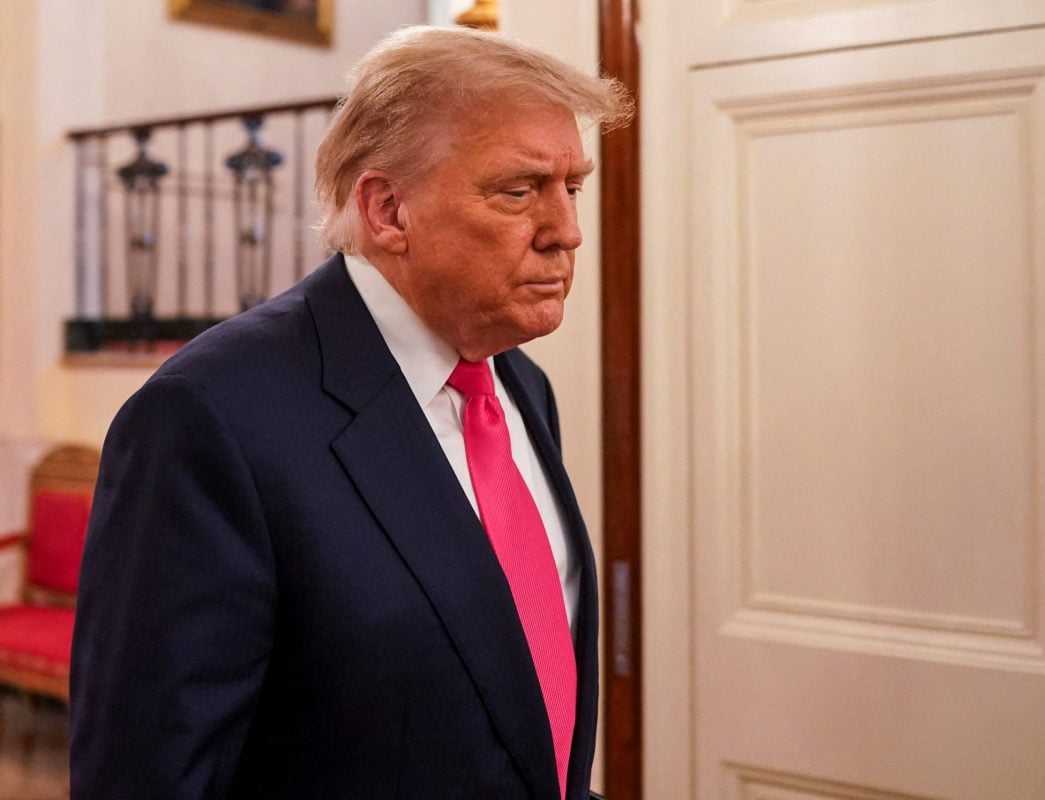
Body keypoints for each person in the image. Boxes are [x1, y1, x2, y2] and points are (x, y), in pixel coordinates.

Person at [69, 25, 630, 800]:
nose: (565, 231)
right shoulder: (209, 417)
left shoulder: (519, 388)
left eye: (572, 187)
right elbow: (148, 777)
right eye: (518, 190)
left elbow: (513, 714)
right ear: (388, 209)